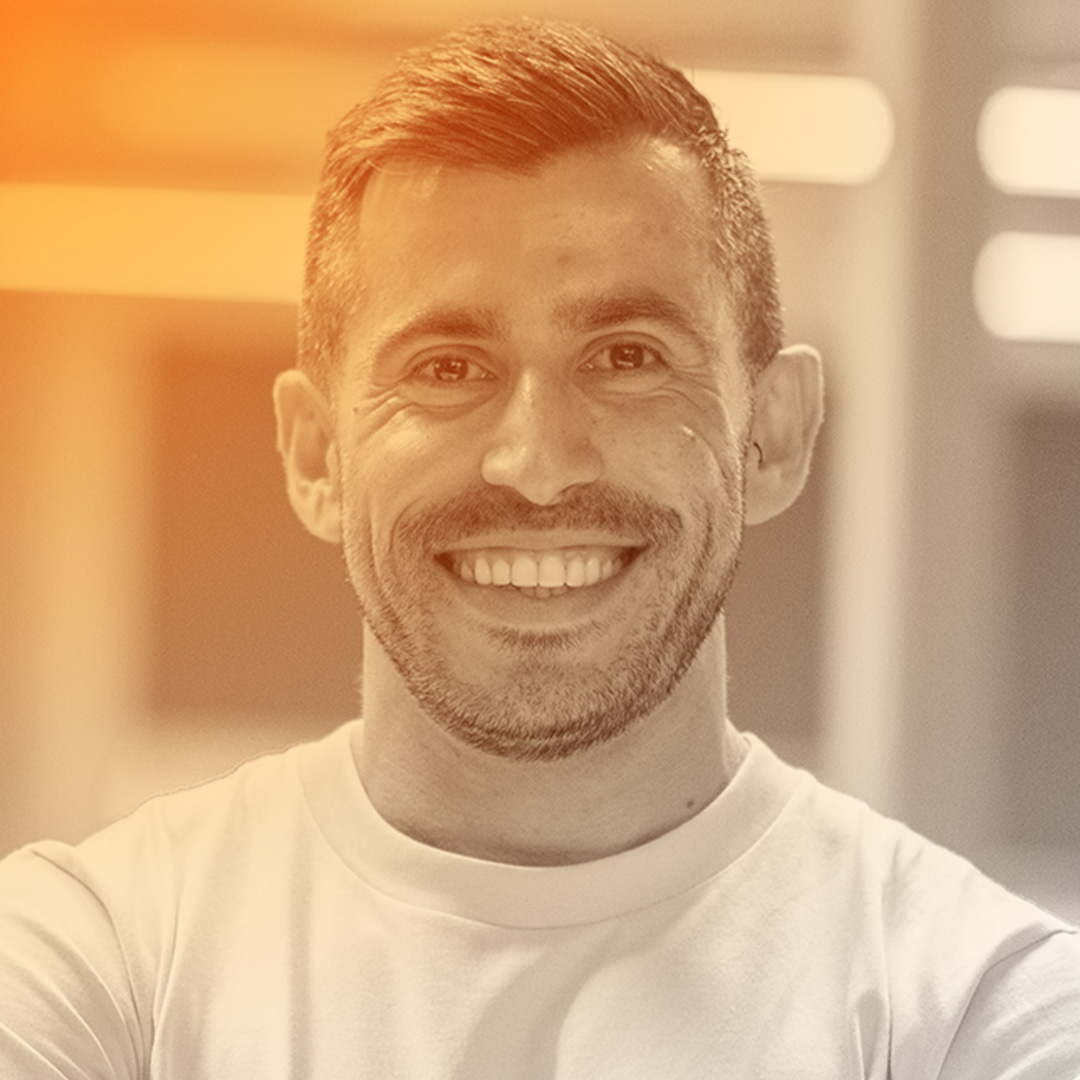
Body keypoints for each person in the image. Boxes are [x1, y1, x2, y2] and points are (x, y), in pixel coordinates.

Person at [0, 18, 1076, 1078]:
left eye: (625, 355)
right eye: (447, 367)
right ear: (318, 454)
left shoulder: (974, 1009)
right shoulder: (103, 960)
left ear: (774, 434)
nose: (538, 462)